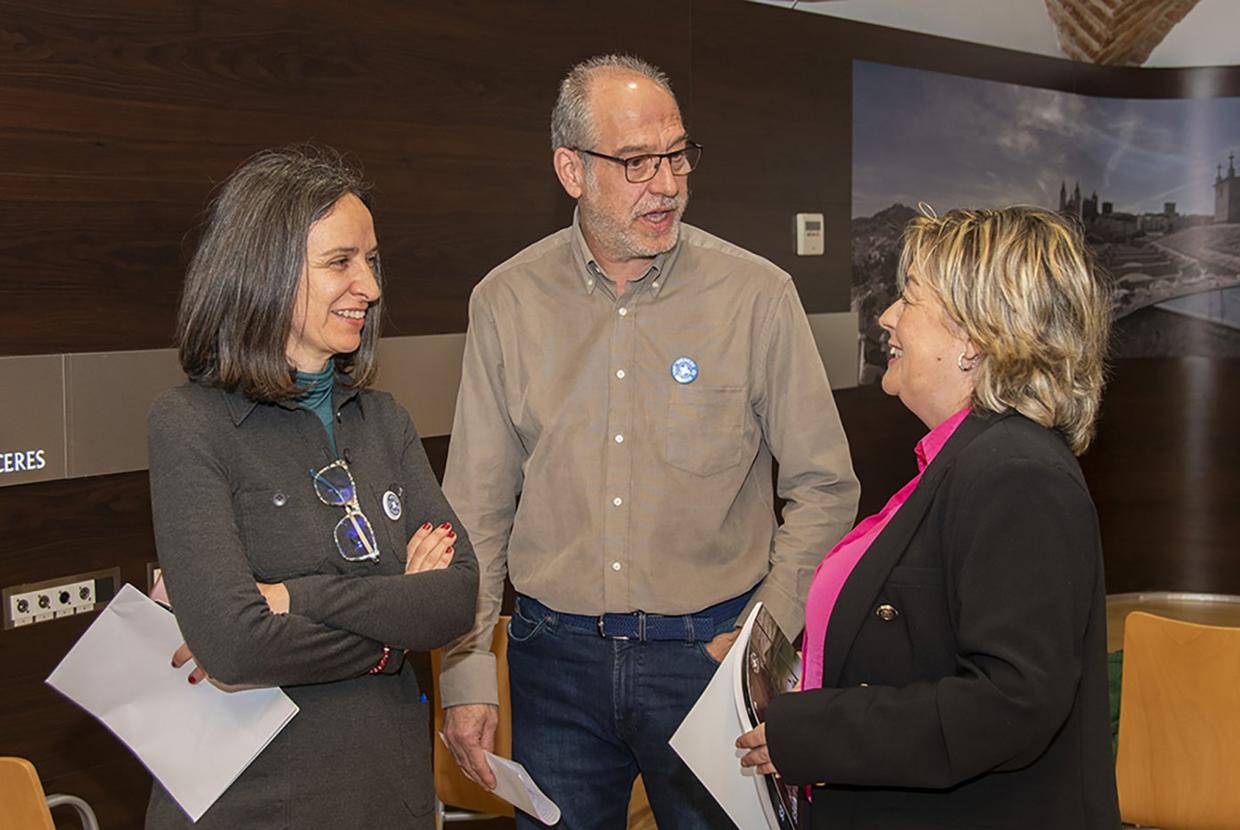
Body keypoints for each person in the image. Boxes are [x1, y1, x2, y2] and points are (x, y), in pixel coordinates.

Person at [438, 54, 859, 829]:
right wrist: (466, 674)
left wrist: (765, 637)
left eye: (676, 156)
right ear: (571, 169)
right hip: (550, 663)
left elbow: (826, 486)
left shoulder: (757, 296)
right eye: (635, 162)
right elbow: (477, 507)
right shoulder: (505, 301)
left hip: (709, 662)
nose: (666, 183)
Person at [737, 206, 1121, 829]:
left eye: (909, 299)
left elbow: (1010, 702)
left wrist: (819, 733)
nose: (887, 316)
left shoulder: (1016, 475)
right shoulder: (964, 458)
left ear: (975, 338)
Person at [145, 146, 479, 829]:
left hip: (388, 796)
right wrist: (392, 640)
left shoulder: (384, 421)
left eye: (372, 260)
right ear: (263, 271)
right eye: (340, 262)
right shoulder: (191, 423)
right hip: (256, 805)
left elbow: (456, 598)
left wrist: (297, 597)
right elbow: (233, 646)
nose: (371, 286)